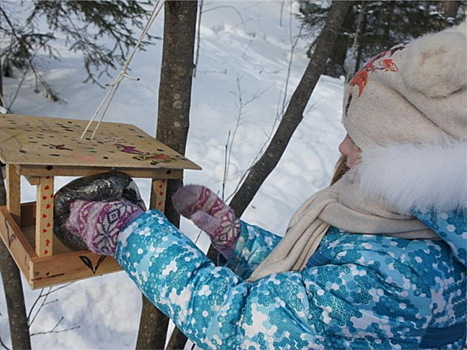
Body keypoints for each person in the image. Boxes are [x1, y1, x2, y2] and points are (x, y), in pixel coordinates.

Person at [64, 22, 466, 349]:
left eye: (360, 140)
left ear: (411, 161)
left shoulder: (399, 276)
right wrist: (237, 239)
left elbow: (241, 324)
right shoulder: (405, 223)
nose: (342, 147)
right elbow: (319, 278)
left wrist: (131, 234)